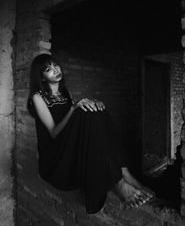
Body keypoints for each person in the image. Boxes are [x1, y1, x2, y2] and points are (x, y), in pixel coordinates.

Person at [27, 53, 154, 214]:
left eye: (55, 65)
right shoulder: (37, 97)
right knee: (84, 110)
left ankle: (125, 173)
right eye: (48, 69)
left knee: (96, 109)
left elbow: (75, 122)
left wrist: (90, 106)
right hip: (54, 154)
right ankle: (118, 182)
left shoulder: (66, 92)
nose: (55, 70)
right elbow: (54, 132)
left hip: (68, 143)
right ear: (42, 77)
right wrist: (75, 108)